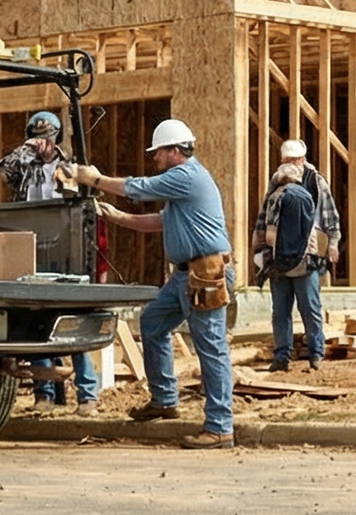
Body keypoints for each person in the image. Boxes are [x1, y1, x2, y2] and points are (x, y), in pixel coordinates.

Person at [64, 118, 236, 449]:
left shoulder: (185, 176)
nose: (155, 159)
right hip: (187, 274)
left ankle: (220, 427)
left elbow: (138, 188)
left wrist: (95, 179)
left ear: (174, 151)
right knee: (153, 322)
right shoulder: (183, 185)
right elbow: (160, 221)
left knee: (211, 348)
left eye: (158, 153)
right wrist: (118, 217)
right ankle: (165, 399)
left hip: (206, 273)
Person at [0, 110, 98, 414]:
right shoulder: (23, 166)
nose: (44, 146)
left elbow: (86, 198)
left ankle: (87, 395)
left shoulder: (72, 167)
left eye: (48, 139)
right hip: (31, 249)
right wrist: (26, 148)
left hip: (67, 251)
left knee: (74, 319)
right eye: (38, 139)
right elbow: (3, 169)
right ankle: (44, 394)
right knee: (35, 320)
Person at [253, 138, 340, 372]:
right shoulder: (277, 183)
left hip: (308, 255)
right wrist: (260, 249)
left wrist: (333, 243)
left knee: (309, 307)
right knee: (280, 310)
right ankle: (282, 356)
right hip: (279, 257)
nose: (291, 164)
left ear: (303, 159)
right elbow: (265, 216)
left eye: (295, 160)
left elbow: (330, 215)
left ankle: (316, 354)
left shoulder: (315, 181)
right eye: (287, 160)